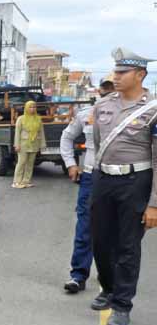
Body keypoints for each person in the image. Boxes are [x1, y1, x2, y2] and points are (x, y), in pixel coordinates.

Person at [89, 47, 157, 325]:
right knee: (100, 241)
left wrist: (154, 203)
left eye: (121, 72)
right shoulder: (102, 105)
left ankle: (122, 305)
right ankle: (108, 287)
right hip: (104, 180)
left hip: (136, 182)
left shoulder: (153, 109)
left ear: (140, 75)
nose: (114, 77)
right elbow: (97, 144)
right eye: (114, 72)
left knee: (128, 245)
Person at [60, 80, 115, 293]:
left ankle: (108, 277)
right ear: (98, 93)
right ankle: (78, 275)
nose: (107, 95)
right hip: (91, 176)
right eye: (104, 91)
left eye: (112, 91)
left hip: (117, 178)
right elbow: (67, 137)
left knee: (114, 228)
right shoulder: (86, 114)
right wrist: (71, 164)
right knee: (85, 227)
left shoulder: (128, 115)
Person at [12, 100, 47, 188]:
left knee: (30, 163)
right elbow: (17, 133)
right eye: (30, 107)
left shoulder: (38, 118)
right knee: (21, 162)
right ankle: (17, 181)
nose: (32, 109)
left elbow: (41, 132)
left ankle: (26, 181)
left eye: (34, 107)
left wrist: (42, 144)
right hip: (23, 144)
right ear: (26, 108)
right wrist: (17, 145)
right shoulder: (21, 119)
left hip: (34, 144)